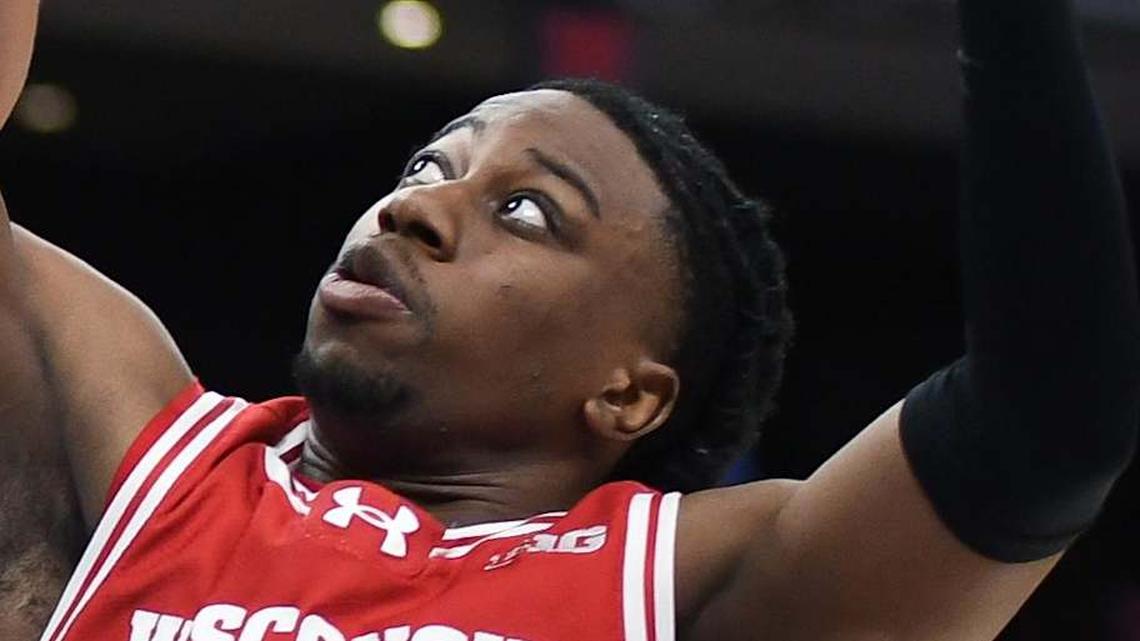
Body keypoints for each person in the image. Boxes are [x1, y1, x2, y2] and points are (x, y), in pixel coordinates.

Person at [2, 0, 1138, 639]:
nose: (420, 206)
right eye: (429, 161)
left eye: (526, 210)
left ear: (629, 390)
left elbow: (1046, 429)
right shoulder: (152, 449)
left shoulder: (686, 580)